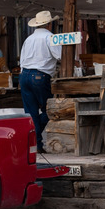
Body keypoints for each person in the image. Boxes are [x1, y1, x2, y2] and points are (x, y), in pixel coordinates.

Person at [19, 10, 62, 153]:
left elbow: (22, 61)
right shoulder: (50, 37)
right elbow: (60, 55)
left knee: (31, 113)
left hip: (24, 75)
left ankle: (35, 144)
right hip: (40, 75)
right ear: (49, 24)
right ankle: (35, 139)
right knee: (49, 110)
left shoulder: (28, 39)